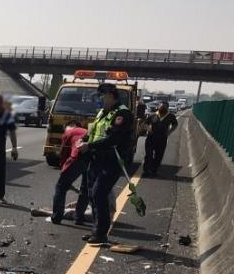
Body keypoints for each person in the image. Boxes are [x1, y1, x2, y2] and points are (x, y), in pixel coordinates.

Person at [77, 83, 135, 245]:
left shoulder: (123, 113)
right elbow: (93, 132)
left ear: (110, 95)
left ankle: (102, 233)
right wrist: (84, 139)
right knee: (92, 195)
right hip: (96, 160)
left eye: (101, 96)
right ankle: (96, 231)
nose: (99, 99)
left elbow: (114, 140)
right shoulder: (103, 112)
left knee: (99, 194)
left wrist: (89, 146)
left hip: (111, 162)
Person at [51, 122, 90, 225]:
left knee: (61, 187)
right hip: (91, 158)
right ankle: (79, 218)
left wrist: (63, 168)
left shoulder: (68, 133)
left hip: (78, 158)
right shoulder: (84, 131)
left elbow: (63, 153)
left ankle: (57, 216)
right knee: (85, 189)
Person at [142, 101, 178, 177]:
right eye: (161, 107)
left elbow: (175, 124)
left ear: (167, 108)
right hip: (151, 138)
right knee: (149, 155)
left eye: (164, 107)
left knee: (159, 156)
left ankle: (154, 171)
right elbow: (145, 123)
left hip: (162, 139)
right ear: (158, 107)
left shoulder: (170, 116)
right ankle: (146, 170)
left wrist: (169, 132)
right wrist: (148, 129)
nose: (162, 108)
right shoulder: (153, 115)